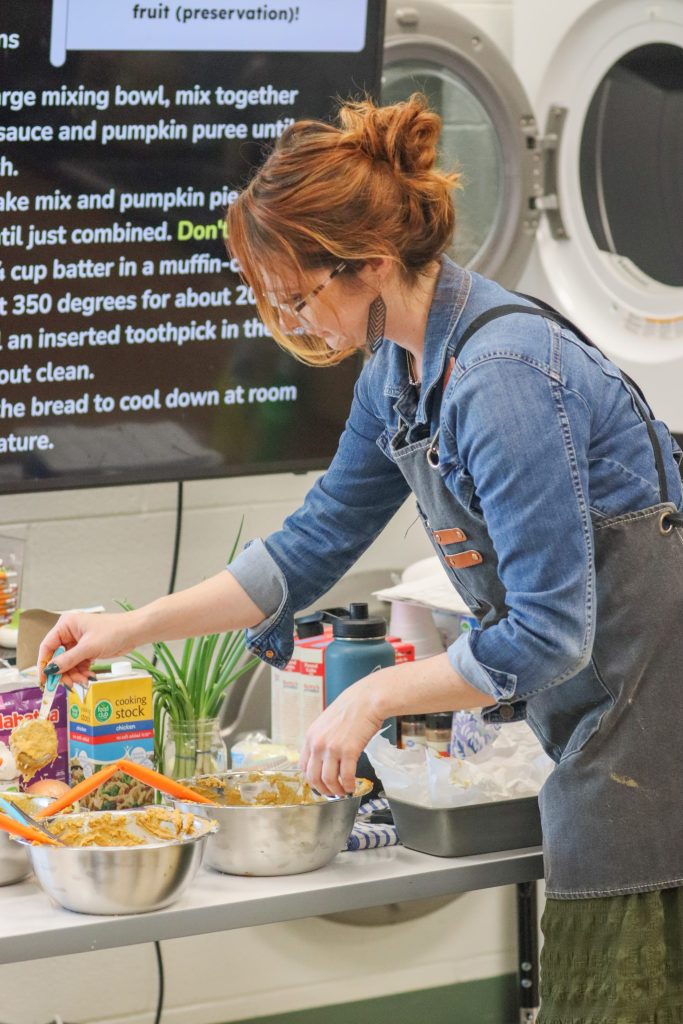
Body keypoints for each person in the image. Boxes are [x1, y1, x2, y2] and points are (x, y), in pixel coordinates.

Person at [39, 94, 683, 1022]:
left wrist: (371, 694)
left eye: (300, 296)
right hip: (604, 727)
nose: (297, 321)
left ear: (372, 265)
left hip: (650, 732)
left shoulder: (500, 380)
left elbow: (547, 632)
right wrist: (130, 625)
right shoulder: (401, 367)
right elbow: (312, 541)